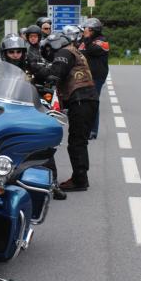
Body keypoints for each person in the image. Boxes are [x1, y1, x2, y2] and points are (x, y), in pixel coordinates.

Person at [0, 34, 66, 200]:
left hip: (26, 109)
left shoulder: (30, 65)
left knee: (42, 143)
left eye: (18, 52)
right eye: (11, 52)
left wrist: (51, 77)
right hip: (3, 110)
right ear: (4, 53)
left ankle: (53, 182)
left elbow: (45, 74)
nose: (15, 55)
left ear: (23, 52)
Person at [40, 32, 99, 191]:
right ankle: (80, 177)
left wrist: (37, 70)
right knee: (79, 141)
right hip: (87, 99)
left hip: (81, 99)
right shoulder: (74, 51)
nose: (49, 55)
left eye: (48, 50)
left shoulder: (64, 53)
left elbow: (55, 73)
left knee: (77, 142)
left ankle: (80, 180)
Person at [79, 18, 109, 140]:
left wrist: (86, 38)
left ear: (93, 30)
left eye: (87, 29)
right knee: (83, 102)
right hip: (84, 75)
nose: (84, 31)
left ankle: (93, 130)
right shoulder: (85, 41)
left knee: (92, 101)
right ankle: (84, 127)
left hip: (97, 76)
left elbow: (92, 50)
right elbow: (78, 51)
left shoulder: (102, 42)